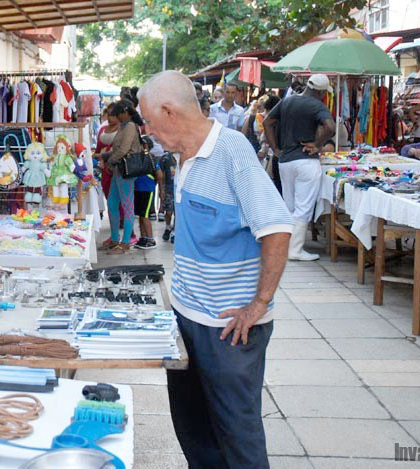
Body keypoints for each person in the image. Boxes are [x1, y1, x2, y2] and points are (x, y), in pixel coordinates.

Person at [138, 70, 292, 469]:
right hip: (187, 318)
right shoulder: (183, 156)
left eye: (149, 122)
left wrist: (258, 304)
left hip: (227, 328)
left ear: (169, 112)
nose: (147, 131)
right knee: (194, 431)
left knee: (236, 435)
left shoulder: (231, 151)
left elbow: (276, 228)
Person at [263, 73, 335, 261]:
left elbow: (267, 122)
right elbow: (330, 127)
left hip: (285, 160)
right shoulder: (317, 105)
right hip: (305, 161)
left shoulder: (288, 101)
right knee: (303, 207)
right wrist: (317, 144)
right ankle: (295, 250)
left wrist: (275, 148)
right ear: (320, 92)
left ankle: (286, 247)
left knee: (289, 205)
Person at [101, 102, 143, 254]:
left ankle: (125, 242)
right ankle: (114, 239)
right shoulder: (124, 126)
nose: (116, 117)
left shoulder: (130, 126)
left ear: (125, 112)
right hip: (118, 170)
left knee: (127, 207)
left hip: (125, 171)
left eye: (118, 114)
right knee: (112, 204)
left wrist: (110, 160)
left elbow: (124, 149)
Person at [133, 140, 164, 250]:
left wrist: (160, 189)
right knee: (141, 215)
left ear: (145, 146)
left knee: (145, 215)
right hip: (138, 188)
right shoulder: (137, 157)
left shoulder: (151, 158)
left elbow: (159, 175)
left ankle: (150, 239)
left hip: (146, 189)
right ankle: (143, 237)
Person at [158, 149, 177, 243]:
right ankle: (168, 227)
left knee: (178, 213)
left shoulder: (185, 156)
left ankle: (174, 232)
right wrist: (161, 189)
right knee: (168, 212)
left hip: (180, 190)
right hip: (169, 189)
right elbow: (160, 174)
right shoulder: (166, 158)